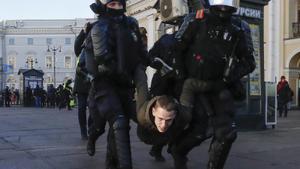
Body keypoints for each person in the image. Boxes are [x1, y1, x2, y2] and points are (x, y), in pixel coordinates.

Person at [170, 0, 256, 168]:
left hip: (220, 87)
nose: (224, 7)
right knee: (200, 131)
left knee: (228, 133)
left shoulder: (239, 27)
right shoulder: (195, 19)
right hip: (193, 85)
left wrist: (227, 78)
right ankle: (178, 152)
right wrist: (181, 77)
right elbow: (177, 48)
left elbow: (249, 62)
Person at [84, 0, 147, 169]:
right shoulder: (98, 28)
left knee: (119, 125)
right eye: (113, 5)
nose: (117, 8)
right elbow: (91, 62)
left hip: (124, 84)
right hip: (102, 85)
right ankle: (91, 139)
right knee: (99, 127)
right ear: (105, 6)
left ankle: (113, 164)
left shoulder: (131, 26)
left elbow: (141, 52)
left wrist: (151, 62)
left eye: (120, 5)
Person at [73, 22, 94, 140]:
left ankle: (91, 128)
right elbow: (76, 47)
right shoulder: (82, 46)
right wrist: (83, 32)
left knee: (92, 107)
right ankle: (83, 131)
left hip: (93, 81)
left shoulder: (97, 42)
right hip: (81, 80)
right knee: (81, 108)